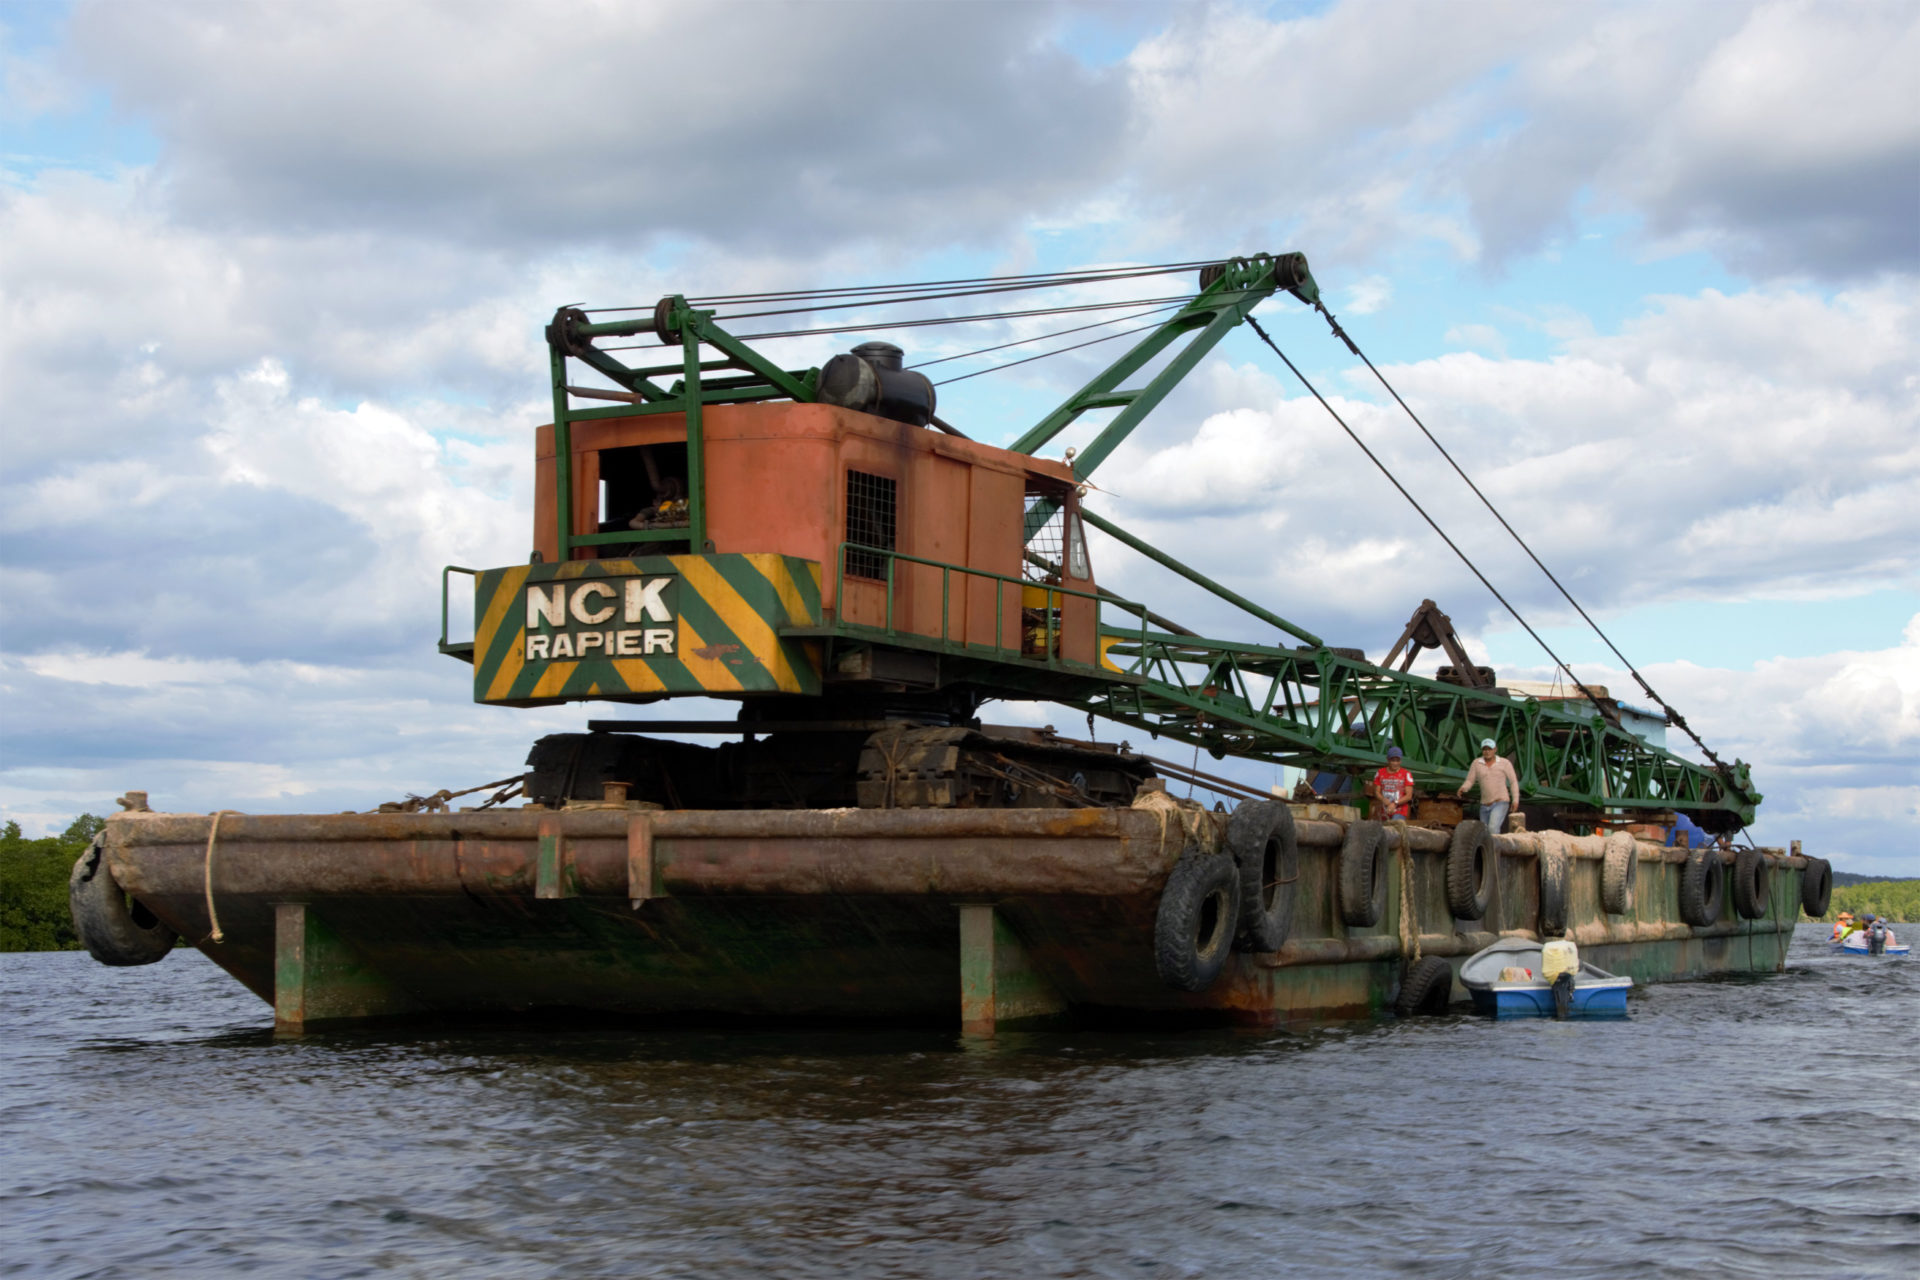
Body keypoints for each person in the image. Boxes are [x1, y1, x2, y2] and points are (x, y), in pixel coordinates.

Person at [1457, 737, 1521, 835]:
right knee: (1484, 833)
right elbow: (1470, 780)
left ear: (1495, 749)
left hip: (1500, 802)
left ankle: (1494, 850)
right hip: (1484, 804)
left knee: (1493, 828)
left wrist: (1515, 800)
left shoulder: (1504, 763)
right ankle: (1490, 850)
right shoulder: (1477, 763)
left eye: (1489, 749)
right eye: (1484, 749)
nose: (1487, 752)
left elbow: (1513, 782)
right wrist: (1464, 788)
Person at [1370, 747, 1415, 821]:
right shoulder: (1380, 773)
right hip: (1384, 811)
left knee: (1394, 828)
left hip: (1400, 811)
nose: (1395, 763)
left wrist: (1395, 803)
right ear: (1387, 759)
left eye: (1398, 760)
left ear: (1401, 760)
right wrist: (1383, 799)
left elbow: (1409, 796)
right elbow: (1377, 791)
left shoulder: (1406, 774)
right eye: (1393, 760)